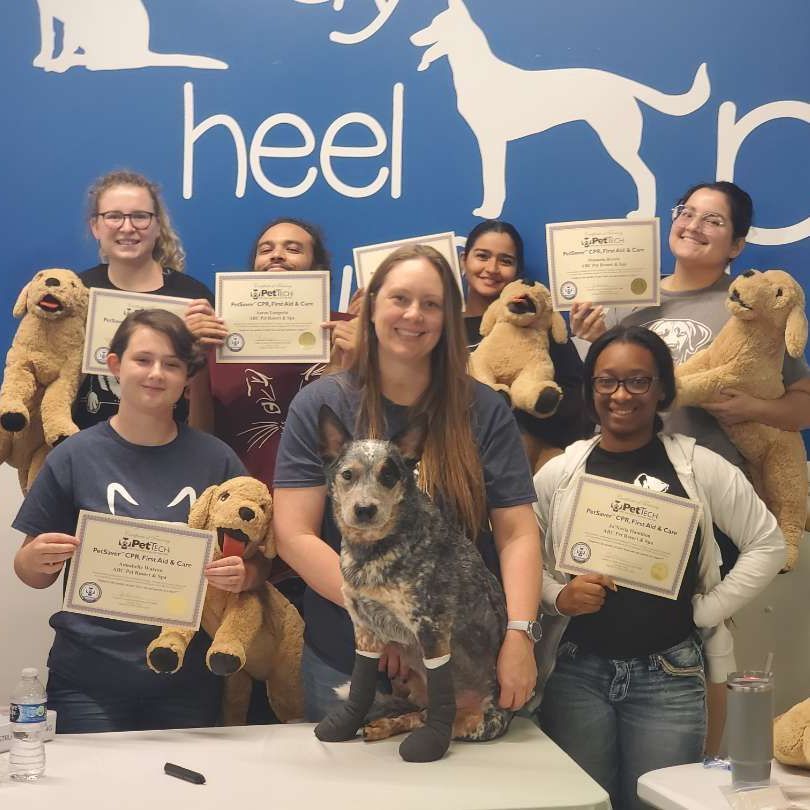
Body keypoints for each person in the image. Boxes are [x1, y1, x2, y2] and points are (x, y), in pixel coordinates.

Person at [568, 181, 810, 752]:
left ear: (738, 245)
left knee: (705, 641)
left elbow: (802, 401)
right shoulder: (630, 298)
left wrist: (754, 407)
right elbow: (599, 389)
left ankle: (695, 769)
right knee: (608, 629)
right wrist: (587, 339)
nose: (694, 226)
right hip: (621, 495)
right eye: (687, 213)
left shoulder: (751, 306)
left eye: (714, 221)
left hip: (706, 501)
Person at [272, 244, 542, 722]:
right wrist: (384, 619)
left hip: (458, 666)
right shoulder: (320, 405)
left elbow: (517, 531)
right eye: (399, 299)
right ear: (371, 306)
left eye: (431, 303)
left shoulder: (483, 409)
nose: (413, 315)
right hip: (344, 652)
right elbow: (294, 535)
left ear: (448, 318)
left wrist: (520, 632)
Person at [532, 325, 785, 810]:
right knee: (584, 804)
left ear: (662, 389)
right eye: (606, 381)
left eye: (638, 381)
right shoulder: (560, 473)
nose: (620, 394)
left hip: (668, 676)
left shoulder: (700, 467)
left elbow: (767, 543)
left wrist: (709, 609)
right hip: (577, 674)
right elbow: (519, 554)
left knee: (658, 804)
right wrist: (557, 596)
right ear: (591, 389)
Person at [12, 310, 252, 733]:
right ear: (115, 365)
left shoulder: (217, 459)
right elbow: (30, 573)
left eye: (172, 364)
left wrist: (244, 573)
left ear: (186, 378)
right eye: (143, 359)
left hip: (188, 676)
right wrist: (38, 558)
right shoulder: (73, 455)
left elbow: (254, 563)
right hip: (87, 679)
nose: (156, 373)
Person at [187, 217, 355, 488]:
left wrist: (357, 358)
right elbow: (201, 436)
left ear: (318, 267)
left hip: (331, 499)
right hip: (243, 499)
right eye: (265, 250)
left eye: (293, 249)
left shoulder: (348, 332)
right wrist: (196, 359)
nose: (277, 255)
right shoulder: (219, 337)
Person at [74, 170, 215, 429]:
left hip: (172, 450)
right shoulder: (75, 293)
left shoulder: (193, 298)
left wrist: (199, 346)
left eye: (140, 216)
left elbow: (208, 397)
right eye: (114, 216)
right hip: (85, 448)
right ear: (95, 226)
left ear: (158, 225)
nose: (127, 227)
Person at [462, 220, 591, 463]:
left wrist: (524, 407)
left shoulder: (540, 325)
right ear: (464, 260)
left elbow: (577, 400)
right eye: (482, 256)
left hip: (528, 463)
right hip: (459, 461)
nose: (492, 268)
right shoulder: (441, 329)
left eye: (505, 261)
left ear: (517, 272)